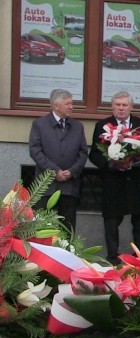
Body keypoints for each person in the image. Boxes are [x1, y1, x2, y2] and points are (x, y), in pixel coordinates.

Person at [89, 91, 140, 264]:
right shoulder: (102, 125)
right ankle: (112, 258)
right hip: (113, 181)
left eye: (124, 105)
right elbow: (94, 154)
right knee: (111, 222)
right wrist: (110, 163)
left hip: (137, 180)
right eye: (118, 105)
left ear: (131, 107)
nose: (121, 108)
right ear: (112, 107)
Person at [28, 88, 88, 232]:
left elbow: (83, 152)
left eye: (71, 103)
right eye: (67, 103)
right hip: (46, 184)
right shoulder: (40, 124)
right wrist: (55, 171)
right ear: (55, 105)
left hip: (69, 185)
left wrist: (71, 171)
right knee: (42, 226)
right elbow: (35, 151)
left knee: (67, 227)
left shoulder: (77, 126)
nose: (71, 107)